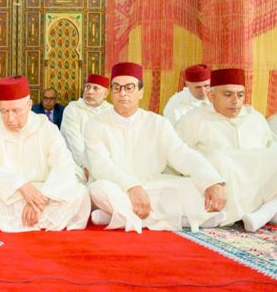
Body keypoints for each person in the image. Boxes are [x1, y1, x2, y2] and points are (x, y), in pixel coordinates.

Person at [85, 62, 227, 233]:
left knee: (193, 186)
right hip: (118, 187)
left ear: (141, 92)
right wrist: (131, 186)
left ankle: (117, 216)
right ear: (111, 93)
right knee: (98, 189)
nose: (123, 93)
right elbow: (101, 167)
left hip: (152, 186)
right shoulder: (95, 124)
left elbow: (182, 154)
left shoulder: (158, 123)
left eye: (129, 87)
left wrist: (211, 179)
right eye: (117, 88)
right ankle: (170, 219)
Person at [175, 68, 277, 231]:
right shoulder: (192, 120)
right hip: (221, 193)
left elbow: (268, 156)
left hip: (259, 189)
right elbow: (177, 161)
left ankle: (272, 207)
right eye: (228, 95)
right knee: (218, 157)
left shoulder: (255, 119)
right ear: (211, 96)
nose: (235, 101)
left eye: (240, 95)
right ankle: (270, 211)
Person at [0, 76, 89, 232]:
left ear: (29, 105)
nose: (10, 118)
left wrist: (41, 199)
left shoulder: (46, 128)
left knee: (80, 193)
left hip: (45, 192)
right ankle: (44, 221)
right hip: (11, 194)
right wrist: (21, 185)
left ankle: (14, 221)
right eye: (4, 111)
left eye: (15, 111)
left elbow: (63, 164)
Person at [60, 74, 112, 182]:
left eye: (95, 88)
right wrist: (86, 166)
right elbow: (74, 143)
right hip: (77, 165)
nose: (90, 92)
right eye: (87, 87)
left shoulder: (111, 111)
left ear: (106, 94)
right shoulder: (73, 109)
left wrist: (103, 166)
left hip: (105, 165)